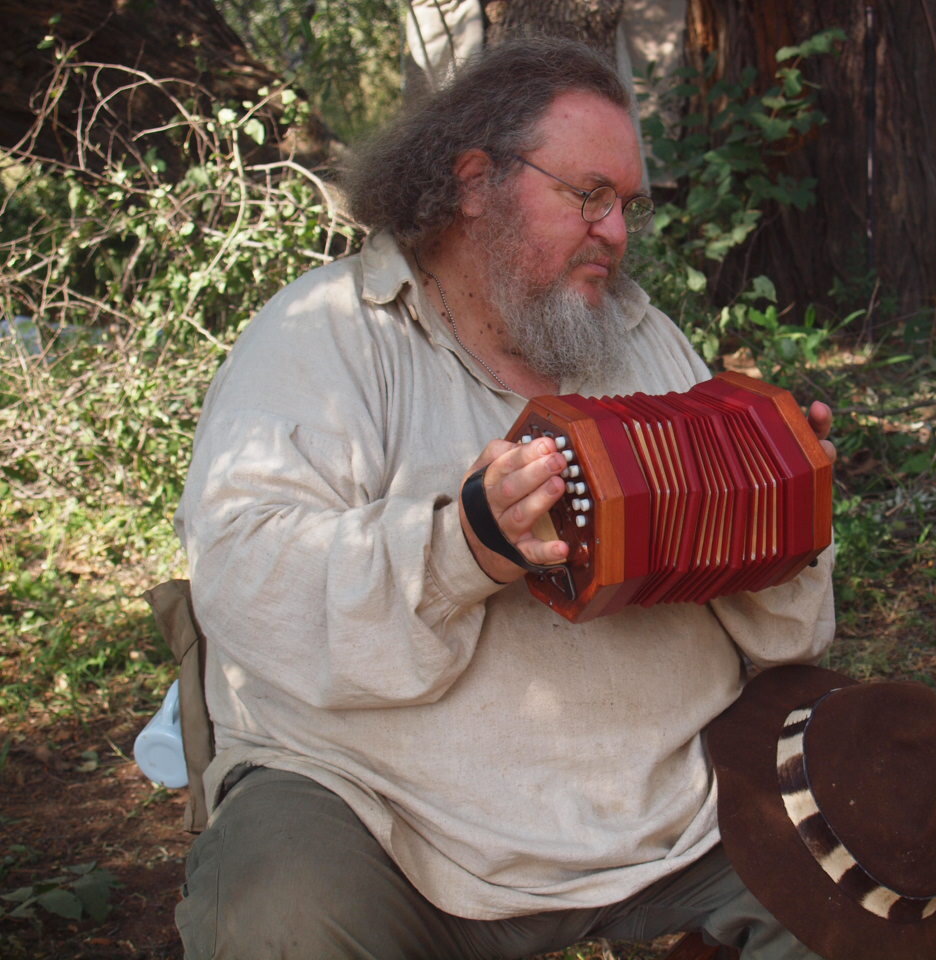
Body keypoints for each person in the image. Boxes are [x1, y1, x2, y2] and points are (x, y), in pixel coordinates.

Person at [173, 36, 836, 960]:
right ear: (476, 181)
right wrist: (465, 546)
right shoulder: (322, 337)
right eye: (588, 195)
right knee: (277, 917)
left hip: (676, 807)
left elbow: (785, 634)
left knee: (884, 865)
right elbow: (247, 579)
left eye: (627, 205)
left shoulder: (642, 340)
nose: (616, 230)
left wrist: (778, 506)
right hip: (396, 820)